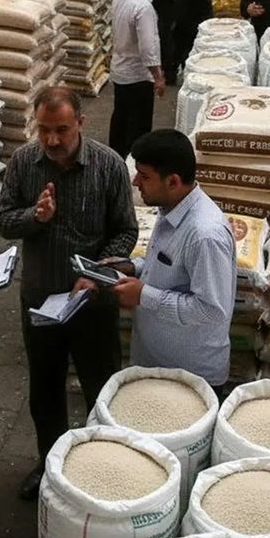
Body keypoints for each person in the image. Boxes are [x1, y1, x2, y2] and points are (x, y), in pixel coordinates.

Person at [0, 86, 138, 501]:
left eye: (61, 130)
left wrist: (97, 274)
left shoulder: (108, 166)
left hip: (92, 303)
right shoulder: (24, 162)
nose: (53, 140)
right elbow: (3, 220)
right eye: (44, 130)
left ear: (80, 123)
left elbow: (126, 230)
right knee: (45, 388)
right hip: (40, 300)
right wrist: (34, 217)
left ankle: (102, 468)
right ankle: (50, 464)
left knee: (100, 386)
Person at [109, 130, 236, 398]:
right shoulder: (171, 208)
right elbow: (172, 268)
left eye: (144, 176)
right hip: (157, 364)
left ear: (173, 181)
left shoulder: (204, 235)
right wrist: (134, 268)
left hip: (189, 378)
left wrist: (143, 295)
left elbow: (211, 309)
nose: (135, 182)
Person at [109, 0, 165, 160]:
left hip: (119, 71)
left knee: (120, 120)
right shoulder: (144, 7)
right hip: (138, 76)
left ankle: (114, 160)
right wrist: (158, 77)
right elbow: (148, 47)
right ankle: (133, 165)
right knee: (137, 127)